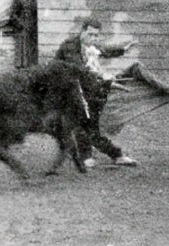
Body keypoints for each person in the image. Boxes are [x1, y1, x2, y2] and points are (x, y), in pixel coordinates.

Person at [55, 17, 138, 168]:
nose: (93, 38)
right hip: (67, 89)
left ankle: (113, 155)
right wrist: (105, 78)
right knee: (83, 122)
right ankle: (92, 156)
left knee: (90, 124)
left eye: (96, 35)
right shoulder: (70, 47)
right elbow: (79, 70)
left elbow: (104, 51)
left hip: (85, 87)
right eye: (91, 34)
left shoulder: (89, 44)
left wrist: (123, 49)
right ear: (83, 31)